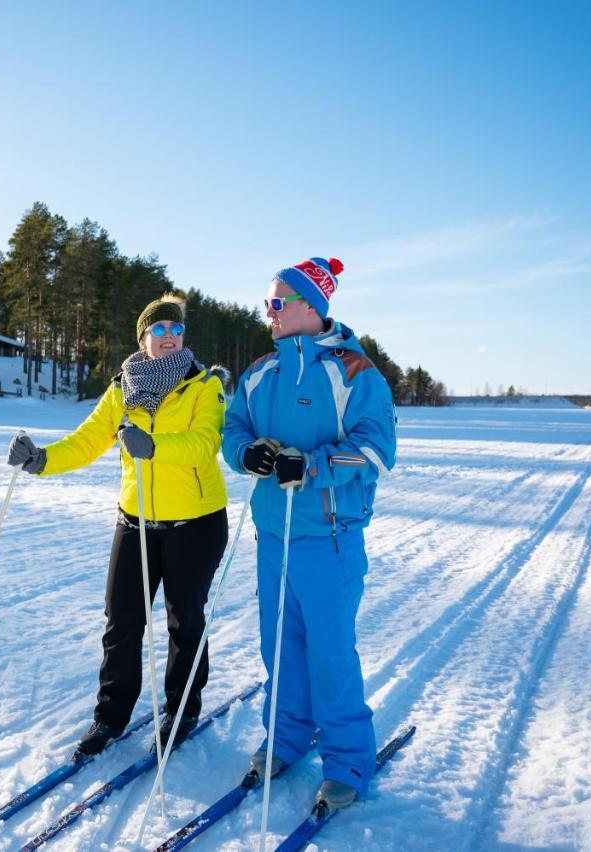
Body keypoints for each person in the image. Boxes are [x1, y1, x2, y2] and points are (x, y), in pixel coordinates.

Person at [7, 295, 231, 758]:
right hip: (136, 520)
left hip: (196, 522)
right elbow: (88, 440)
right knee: (121, 620)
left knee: (183, 619)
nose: (170, 337)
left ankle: (183, 709)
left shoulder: (203, 385)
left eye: (177, 330)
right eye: (160, 330)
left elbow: (204, 442)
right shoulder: (121, 389)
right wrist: (41, 459)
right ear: (143, 338)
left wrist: (153, 443)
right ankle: (111, 716)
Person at [221, 257, 397, 810]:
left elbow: (376, 450)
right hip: (273, 537)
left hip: (329, 538)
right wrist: (247, 453)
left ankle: (347, 759)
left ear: (311, 307)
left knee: (329, 652)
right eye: (266, 302)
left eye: (278, 302)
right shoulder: (259, 372)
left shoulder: (353, 371)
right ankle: (287, 738)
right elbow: (234, 429)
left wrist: (313, 465)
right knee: (280, 648)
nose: (267, 313)